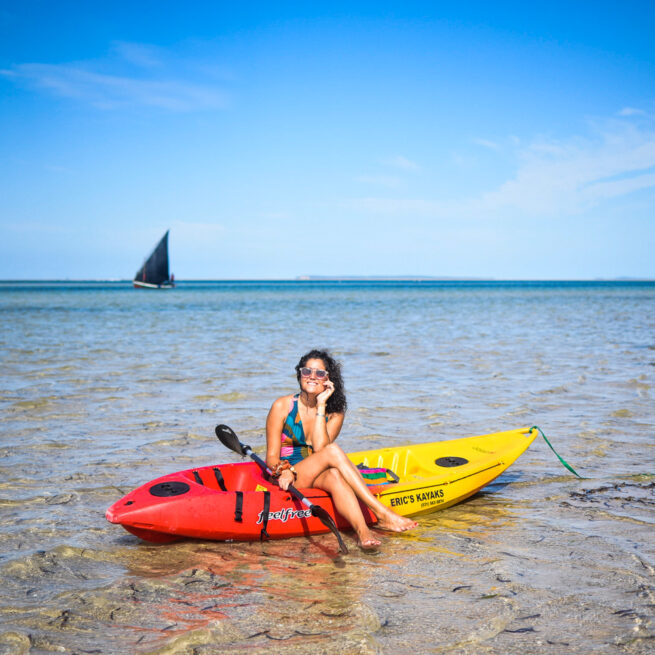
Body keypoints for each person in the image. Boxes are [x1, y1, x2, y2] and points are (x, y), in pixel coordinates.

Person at [265, 348, 417, 548]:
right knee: (333, 450)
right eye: (306, 371)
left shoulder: (335, 412)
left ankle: (364, 534)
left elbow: (320, 448)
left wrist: (321, 406)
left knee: (335, 475)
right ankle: (382, 512)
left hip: (318, 473)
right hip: (288, 475)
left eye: (319, 373)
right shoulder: (282, 406)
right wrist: (285, 471)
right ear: (299, 374)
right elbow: (271, 457)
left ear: (328, 379)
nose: (312, 377)